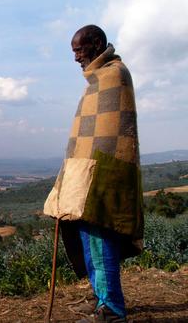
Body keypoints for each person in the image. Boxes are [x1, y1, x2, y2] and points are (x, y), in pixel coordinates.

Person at [44, 25, 144, 322]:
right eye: (74, 51)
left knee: (100, 244)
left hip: (103, 177)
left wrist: (88, 175)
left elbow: (112, 136)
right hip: (88, 175)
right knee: (91, 243)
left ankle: (111, 310)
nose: (76, 58)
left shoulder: (114, 74)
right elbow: (89, 134)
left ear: (97, 43)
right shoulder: (98, 79)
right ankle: (103, 299)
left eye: (79, 50)